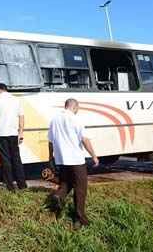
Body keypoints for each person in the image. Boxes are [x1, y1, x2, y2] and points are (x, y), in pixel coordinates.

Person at [47, 98, 99, 228]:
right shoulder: (76, 119)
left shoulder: (54, 119)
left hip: (61, 160)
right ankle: (79, 219)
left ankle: (58, 196)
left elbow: (50, 141)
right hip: (76, 160)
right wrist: (94, 156)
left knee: (66, 183)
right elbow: (84, 139)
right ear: (75, 107)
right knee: (80, 189)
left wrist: (50, 157)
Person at [0, 83, 27, 191]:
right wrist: (21, 132)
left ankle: (10, 186)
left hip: (1, 134)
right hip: (14, 134)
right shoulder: (16, 100)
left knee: (5, 160)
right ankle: (22, 185)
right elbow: (21, 117)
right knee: (16, 159)